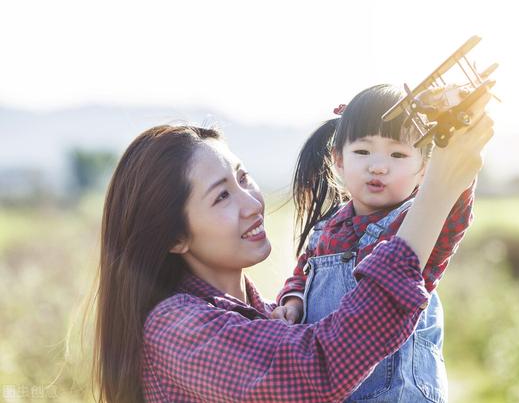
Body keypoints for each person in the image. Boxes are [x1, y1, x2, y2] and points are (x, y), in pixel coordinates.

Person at [92, 94, 492, 402]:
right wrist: (437, 191)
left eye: (244, 178)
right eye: (221, 197)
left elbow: (415, 272)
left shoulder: (272, 316)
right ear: (174, 237)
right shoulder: (176, 330)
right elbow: (319, 368)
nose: (252, 204)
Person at [271, 84, 484, 402]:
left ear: (425, 169)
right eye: (363, 151)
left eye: (398, 154)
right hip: (335, 389)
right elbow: (303, 273)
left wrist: (454, 148)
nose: (378, 166)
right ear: (338, 160)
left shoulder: (417, 223)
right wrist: (293, 302)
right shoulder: (325, 230)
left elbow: (453, 200)